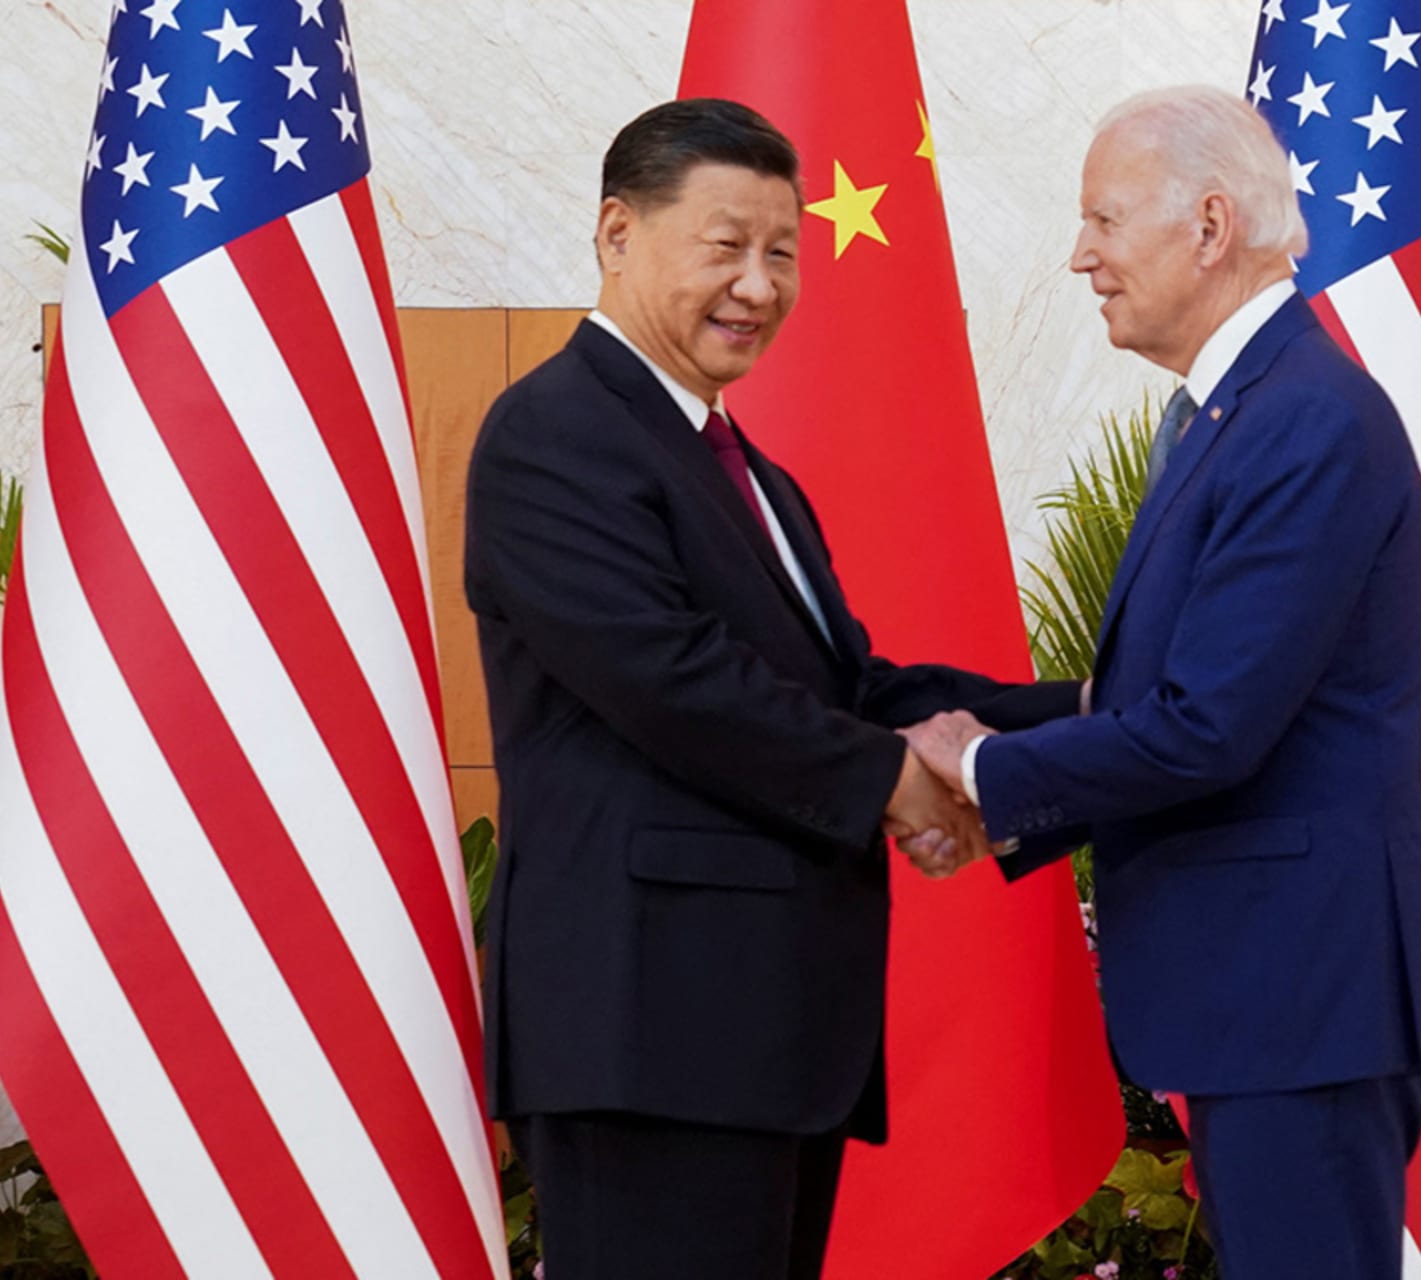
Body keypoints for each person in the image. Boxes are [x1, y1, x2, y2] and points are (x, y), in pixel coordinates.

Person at [463, 97, 1080, 1280]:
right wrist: (896, 782)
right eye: (724, 244)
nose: (758, 283)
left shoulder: (751, 473)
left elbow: (854, 685)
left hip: (757, 1030)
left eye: (783, 250)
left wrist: (1099, 713)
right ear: (617, 233)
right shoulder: (554, 432)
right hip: (648, 1033)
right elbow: (674, 680)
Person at [906, 87, 1421, 1278]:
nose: (1081, 256)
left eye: (1104, 220)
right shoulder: (1238, 412)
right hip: (1273, 994)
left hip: (1298, 995)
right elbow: (1162, 692)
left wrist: (976, 768)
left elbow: (1206, 725)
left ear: (1210, 227)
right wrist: (909, 706)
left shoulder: (1303, 419)